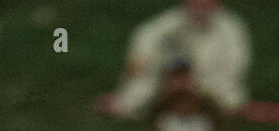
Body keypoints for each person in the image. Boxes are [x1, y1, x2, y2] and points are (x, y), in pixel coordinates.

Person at [100, 0, 250, 119]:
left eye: (205, 5)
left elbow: (237, 62)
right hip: (169, 76)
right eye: (196, 4)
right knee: (143, 81)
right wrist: (140, 58)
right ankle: (132, 104)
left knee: (229, 101)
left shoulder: (230, 27)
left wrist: (196, 82)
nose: (200, 10)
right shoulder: (176, 18)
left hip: (210, 81)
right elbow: (148, 35)